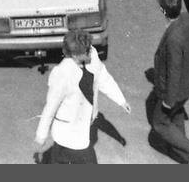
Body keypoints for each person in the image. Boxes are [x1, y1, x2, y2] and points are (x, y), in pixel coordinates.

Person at [34, 29, 131, 164]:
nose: (90, 52)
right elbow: (50, 107)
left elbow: (103, 77)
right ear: (74, 55)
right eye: (86, 51)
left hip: (82, 130)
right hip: (67, 133)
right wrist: (41, 135)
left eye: (89, 48)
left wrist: (121, 100)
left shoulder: (92, 54)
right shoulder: (62, 73)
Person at [150, 0, 189, 164]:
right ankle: (184, 157)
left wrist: (169, 100)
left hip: (176, 89)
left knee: (160, 123)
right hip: (188, 81)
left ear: (163, 11)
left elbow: (173, 71)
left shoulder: (173, 38)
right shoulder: (187, 19)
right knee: (176, 116)